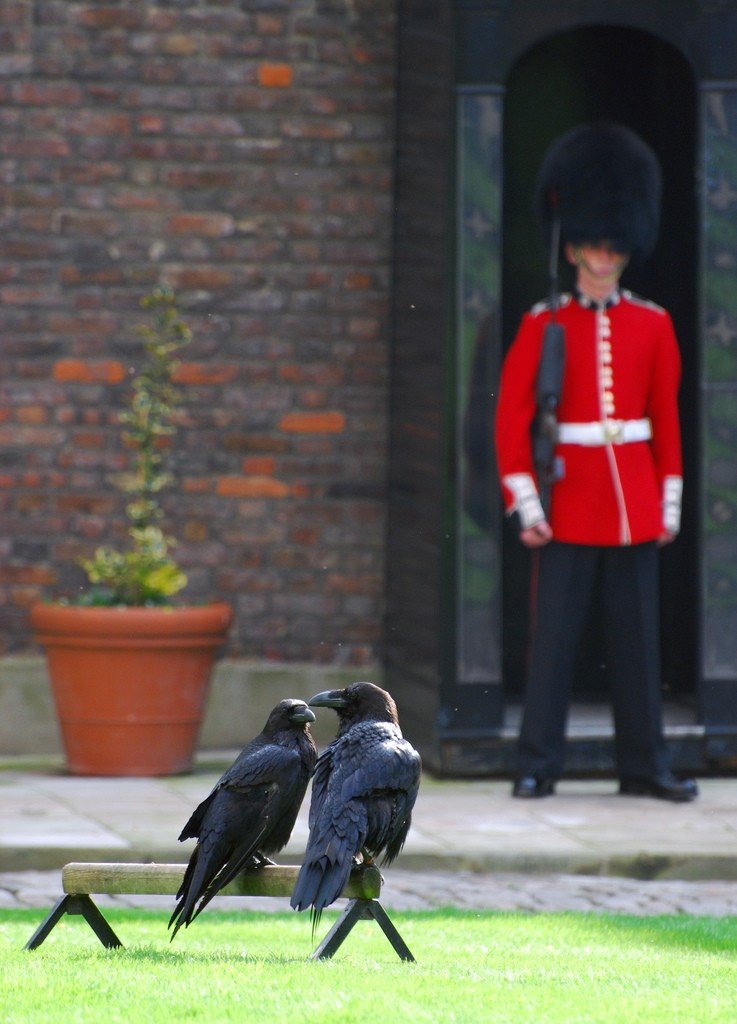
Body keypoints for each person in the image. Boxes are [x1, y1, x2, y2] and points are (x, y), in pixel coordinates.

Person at [494, 122, 698, 802]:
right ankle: (536, 764)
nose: (602, 259)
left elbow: (665, 418)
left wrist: (667, 501)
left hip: (633, 500)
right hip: (566, 500)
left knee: (638, 647)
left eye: (612, 247)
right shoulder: (541, 323)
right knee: (551, 646)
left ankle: (645, 766)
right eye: (591, 246)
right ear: (572, 244)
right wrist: (526, 502)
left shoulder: (653, 323)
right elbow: (510, 421)